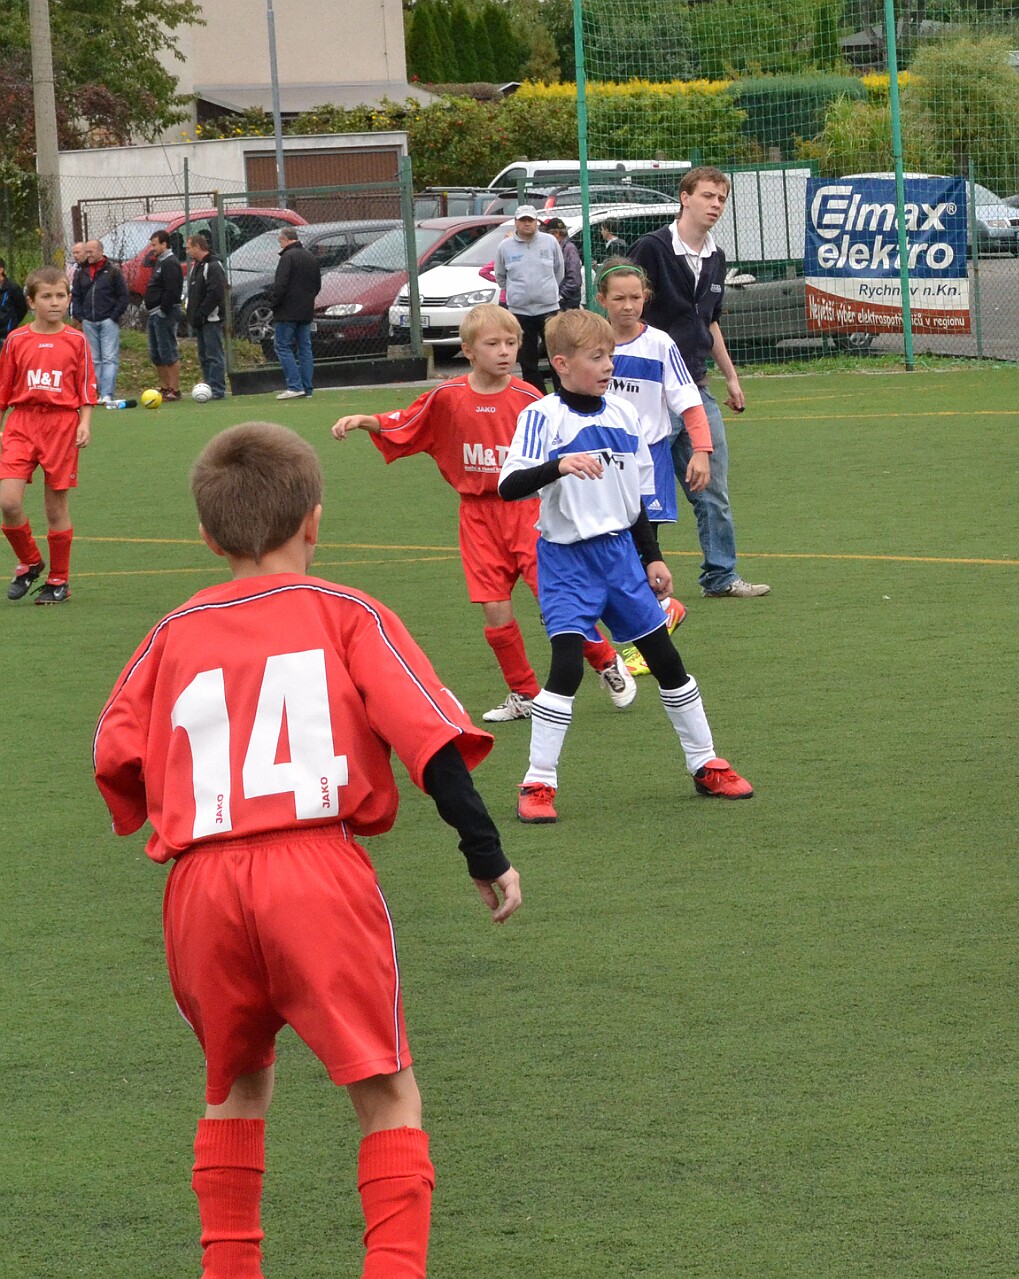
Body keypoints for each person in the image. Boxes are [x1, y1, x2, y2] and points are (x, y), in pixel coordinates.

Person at [92, 421, 521, 1279]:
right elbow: (431, 743)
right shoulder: (347, 612)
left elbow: (115, 753)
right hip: (314, 869)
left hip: (200, 883)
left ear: (208, 535)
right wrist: (485, 854)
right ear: (314, 519)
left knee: (234, 1084)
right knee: (386, 1091)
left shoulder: (170, 632)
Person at [496, 309, 754, 823]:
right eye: (597, 358)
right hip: (566, 561)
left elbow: (636, 498)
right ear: (561, 364)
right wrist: (558, 465)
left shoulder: (624, 415)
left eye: (610, 355)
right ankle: (538, 782)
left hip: (620, 558)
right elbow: (508, 486)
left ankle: (706, 763)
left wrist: (652, 556)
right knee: (567, 668)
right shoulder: (542, 417)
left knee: (667, 661)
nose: (608, 365)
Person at [330, 303, 631, 720]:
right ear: (468, 351)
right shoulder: (447, 397)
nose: (504, 351)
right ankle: (524, 692)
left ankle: (606, 661)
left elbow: (559, 450)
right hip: (477, 517)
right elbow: (407, 421)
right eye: (492, 344)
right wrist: (366, 420)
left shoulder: (530, 398)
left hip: (528, 512)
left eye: (511, 342)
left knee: (555, 602)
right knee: (494, 608)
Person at [630, 166, 768, 599]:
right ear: (684, 197)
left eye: (722, 199)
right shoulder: (651, 249)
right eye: (708, 196)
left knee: (713, 487)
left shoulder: (716, 257)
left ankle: (720, 576)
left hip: (695, 388)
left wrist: (731, 377)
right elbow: (623, 310)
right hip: (649, 394)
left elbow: (709, 322)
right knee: (641, 493)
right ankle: (637, 581)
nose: (716, 205)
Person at [593, 260, 713, 676]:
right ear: (602, 300)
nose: (628, 306)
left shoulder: (659, 344)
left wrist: (702, 450)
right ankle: (656, 617)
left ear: (646, 298)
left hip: (647, 461)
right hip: (601, 464)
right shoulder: (591, 344)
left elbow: (688, 400)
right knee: (611, 551)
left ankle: (657, 624)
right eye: (619, 298)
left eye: (636, 297)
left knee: (643, 549)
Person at [0, 266, 94, 605]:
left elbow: (86, 388)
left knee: (56, 508)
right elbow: (3, 389)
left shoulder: (77, 340)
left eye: (60, 296)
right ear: (31, 301)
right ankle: (30, 561)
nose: (55, 303)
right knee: (8, 502)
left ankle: (59, 580)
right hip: (22, 424)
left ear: (68, 299)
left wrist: (84, 423)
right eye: (46, 296)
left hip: (61, 426)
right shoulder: (16, 340)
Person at [493, 207, 568, 393]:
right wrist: (516, 294)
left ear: (536, 222)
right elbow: (501, 276)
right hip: (519, 311)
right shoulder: (504, 247)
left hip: (549, 309)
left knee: (557, 355)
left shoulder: (550, 242)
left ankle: (562, 395)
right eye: (523, 220)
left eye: (530, 220)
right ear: (516, 222)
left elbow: (559, 270)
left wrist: (548, 292)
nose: (527, 224)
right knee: (527, 360)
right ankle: (536, 396)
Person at [265, 228, 319, 400]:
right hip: (306, 310)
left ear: (285, 239)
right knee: (304, 348)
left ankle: (295, 386)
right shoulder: (310, 257)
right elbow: (317, 285)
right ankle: (307, 388)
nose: (280, 245)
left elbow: (280, 285)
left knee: (282, 346)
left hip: (287, 311)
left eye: (280, 241)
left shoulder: (287, 257)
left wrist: (274, 304)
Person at [70, 240, 125, 405]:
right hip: (89, 321)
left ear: (100, 251)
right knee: (94, 359)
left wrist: (113, 316)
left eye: (91, 251)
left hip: (108, 320)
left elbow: (123, 296)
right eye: (86, 252)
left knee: (109, 357)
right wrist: (81, 316)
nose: (88, 255)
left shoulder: (113, 271)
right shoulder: (82, 272)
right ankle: (99, 392)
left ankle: (107, 393)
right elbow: (76, 296)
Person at [184, 231, 230, 397]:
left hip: (211, 319)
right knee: (203, 355)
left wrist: (202, 312)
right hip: (200, 319)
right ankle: (209, 387)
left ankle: (218, 389)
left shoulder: (213, 265)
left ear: (197, 247)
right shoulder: (197, 266)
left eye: (189, 248)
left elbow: (216, 294)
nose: (187, 251)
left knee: (214, 354)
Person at [142, 229, 185, 401]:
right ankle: (165, 387)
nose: (152, 248)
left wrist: (163, 310)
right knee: (156, 353)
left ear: (164, 244)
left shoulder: (170, 263)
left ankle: (174, 389)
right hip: (154, 313)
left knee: (168, 351)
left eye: (154, 245)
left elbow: (172, 290)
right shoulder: (159, 262)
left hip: (164, 313)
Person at [545, 217, 582, 313]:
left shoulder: (569, 248)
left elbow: (574, 279)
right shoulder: (557, 248)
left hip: (567, 302)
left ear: (556, 233)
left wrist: (560, 295)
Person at [0, 261, 27, 333]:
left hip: (6, 333)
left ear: (1, 269)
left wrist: (11, 323)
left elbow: (22, 308)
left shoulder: (13, 288)